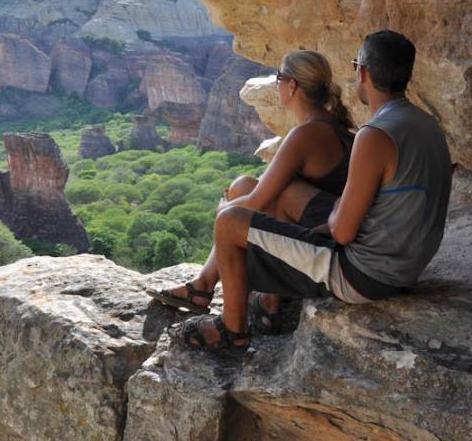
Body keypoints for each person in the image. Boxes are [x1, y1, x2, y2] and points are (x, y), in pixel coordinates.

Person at [172, 30, 453, 355]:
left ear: (361, 72)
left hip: (364, 274)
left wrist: (332, 218)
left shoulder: (375, 135)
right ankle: (263, 304)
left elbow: (344, 231)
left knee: (229, 220)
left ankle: (232, 331)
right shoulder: (427, 125)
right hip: (405, 267)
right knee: (260, 207)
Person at [147, 50, 354, 321]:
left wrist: (225, 207)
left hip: (319, 237)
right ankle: (204, 285)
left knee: (237, 204)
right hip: (321, 223)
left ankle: (252, 301)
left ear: (292, 86)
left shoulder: (306, 135)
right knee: (243, 184)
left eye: (279, 77)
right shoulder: (331, 127)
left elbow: (258, 202)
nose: (276, 82)